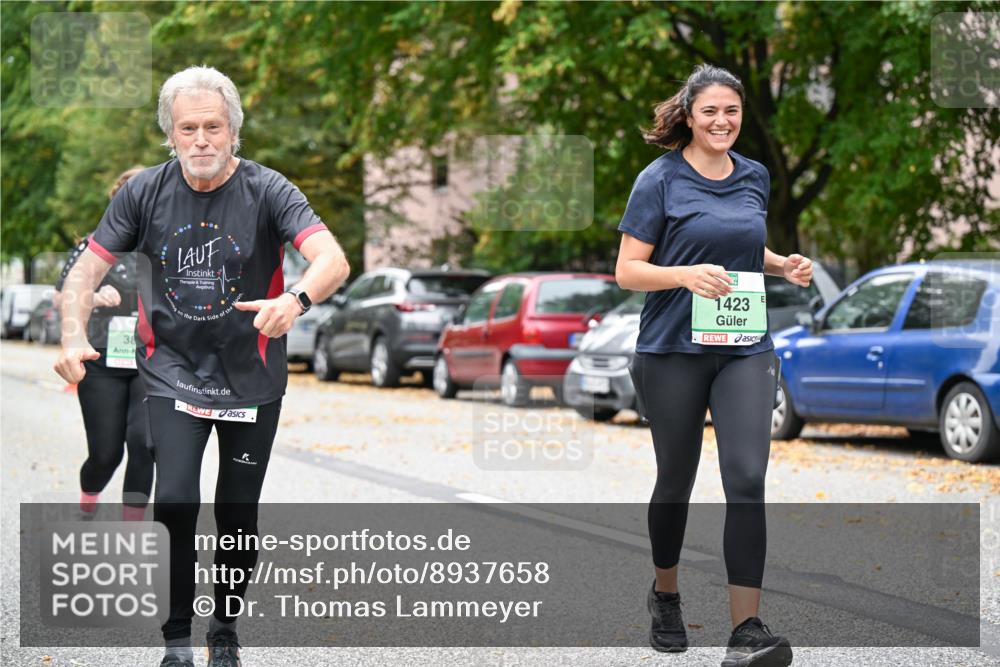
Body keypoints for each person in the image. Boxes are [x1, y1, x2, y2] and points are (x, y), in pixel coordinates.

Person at [54, 66, 350, 667]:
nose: (201, 140)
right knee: (178, 501)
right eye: (187, 128)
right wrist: (69, 335)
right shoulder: (144, 192)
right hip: (172, 374)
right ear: (170, 133)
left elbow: (331, 259)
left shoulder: (269, 190)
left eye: (213, 126)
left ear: (233, 129)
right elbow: (85, 270)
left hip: (252, 377)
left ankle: (225, 632)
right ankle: (176, 641)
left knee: (237, 514)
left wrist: (294, 301)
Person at [615, 64, 812, 667]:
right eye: (710, 112)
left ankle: (745, 630)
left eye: (732, 111)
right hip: (673, 347)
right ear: (690, 116)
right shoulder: (659, 180)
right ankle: (666, 594)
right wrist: (683, 276)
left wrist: (781, 266)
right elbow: (628, 271)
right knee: (676, 479)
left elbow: (741, 244)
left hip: (745, 346)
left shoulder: (753, 174)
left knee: (747, 478)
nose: (722, 121)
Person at [55, 167, 153, 521]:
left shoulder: (167, 246)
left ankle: (133, 523)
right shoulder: (93, 246)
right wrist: (93, 298)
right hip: (101, 359)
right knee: (106, 453)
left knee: (144, 443)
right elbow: (59, 296)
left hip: (151, 360)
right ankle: (91, 489)